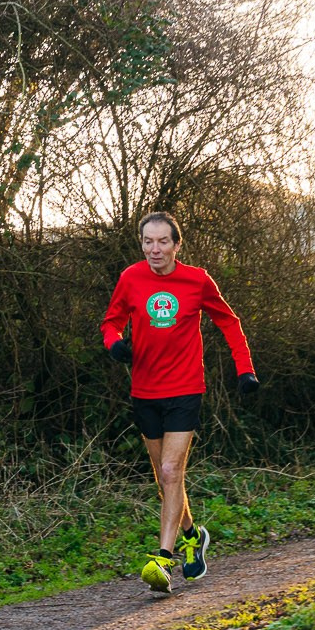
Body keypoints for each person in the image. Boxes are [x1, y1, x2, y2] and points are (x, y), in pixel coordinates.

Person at [100, 212, 259, 593]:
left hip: (185, 388)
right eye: (148, 242)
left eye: (163, 242)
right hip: (145, 391)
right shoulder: (130, 278)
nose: (155, 250)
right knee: (164, 479)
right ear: (142, 244)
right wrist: (115, 345)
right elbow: (111, 322)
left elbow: (229, 322)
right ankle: (192, 535)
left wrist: (245, 369)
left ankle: (162, 559)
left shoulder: (197, 280)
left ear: (176, 245)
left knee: (172, 471)